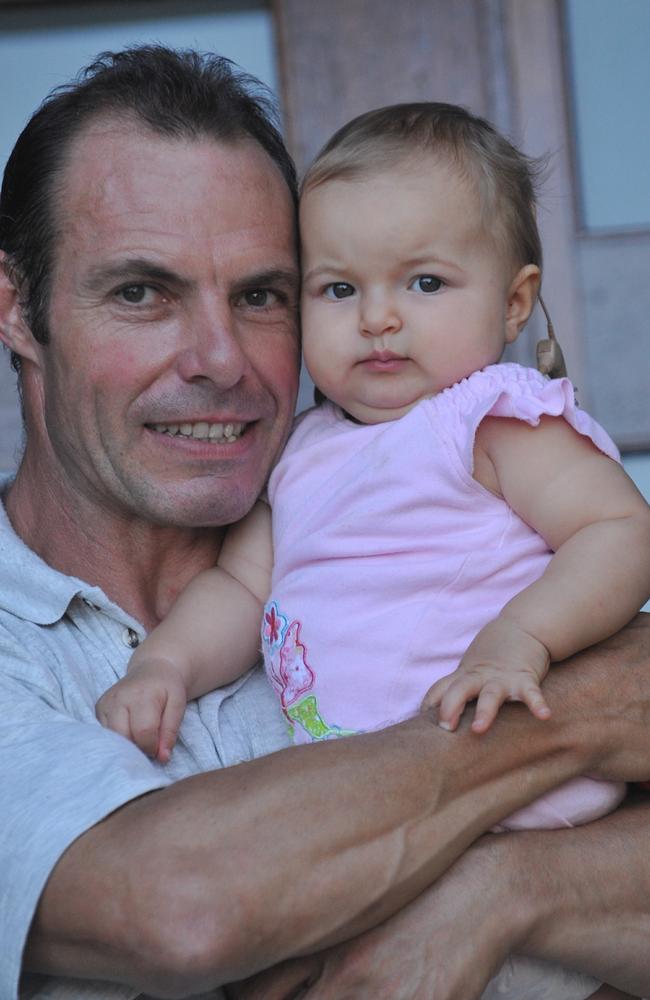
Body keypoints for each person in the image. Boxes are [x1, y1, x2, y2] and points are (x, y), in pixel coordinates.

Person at [0, 46, 649, 1000]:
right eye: (142, 291)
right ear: (16, 308)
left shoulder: (477, 469)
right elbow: (183, 905)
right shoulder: (295, 500)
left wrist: (509, 891)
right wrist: (586, 716)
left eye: (261, 294)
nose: (219, 359)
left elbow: (613, 539)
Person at [98, 103, 648, 846]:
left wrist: (523, 637)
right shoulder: (298, 450)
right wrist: (165, 665)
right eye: (339, 289)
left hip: (513, 777)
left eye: (424, 283)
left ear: (514, 302)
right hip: (369, 801)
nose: (377, 317)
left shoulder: (493, 422)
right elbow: (239, 589)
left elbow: (619, 530)